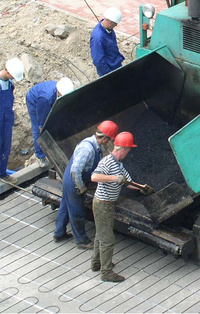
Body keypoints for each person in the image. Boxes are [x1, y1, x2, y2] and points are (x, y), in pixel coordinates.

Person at [53, 120, 119, 249]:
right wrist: (81, 187)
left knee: (66, 207)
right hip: (74, 181)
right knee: (77, 211)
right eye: (109, 139)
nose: (109, 142)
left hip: (74, 178)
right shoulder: (88, 149)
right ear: (105, 137)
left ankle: (59, 233)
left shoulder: (96, 147)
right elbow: (75, 170)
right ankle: (82, 241)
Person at [90, 132, 145, 282]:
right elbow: (94, 177)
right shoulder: (107, 162)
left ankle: (96, 263)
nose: (128, 153)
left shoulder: (119, 165)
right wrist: (114, 178)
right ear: (122, 149)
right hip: (102, 204)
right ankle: (106, 272)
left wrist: (142, 187)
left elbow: (128, 181)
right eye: (128, 151)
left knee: (100, 235)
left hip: (107, 205)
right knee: (107, 240)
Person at [25, 77, 75, 166]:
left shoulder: (65, 90)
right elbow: (42, 123)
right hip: (34, 100)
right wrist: (43, 132)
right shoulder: (45, 98)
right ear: (58, 91)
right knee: (38, 128)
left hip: (49, 98)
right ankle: (40, 156)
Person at [0, 58, 25, 184]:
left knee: (5, 147)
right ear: (7, 71)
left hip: (6, 119)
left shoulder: (9, 83)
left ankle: (2, 173)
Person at [90, 7, 125, 77]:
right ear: (111, 23)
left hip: (116, 66)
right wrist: (109, 75)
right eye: (115, 24)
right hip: (109, 72)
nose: (116, 25)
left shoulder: (108, 30)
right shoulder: (98, 37)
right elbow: (98, 61)